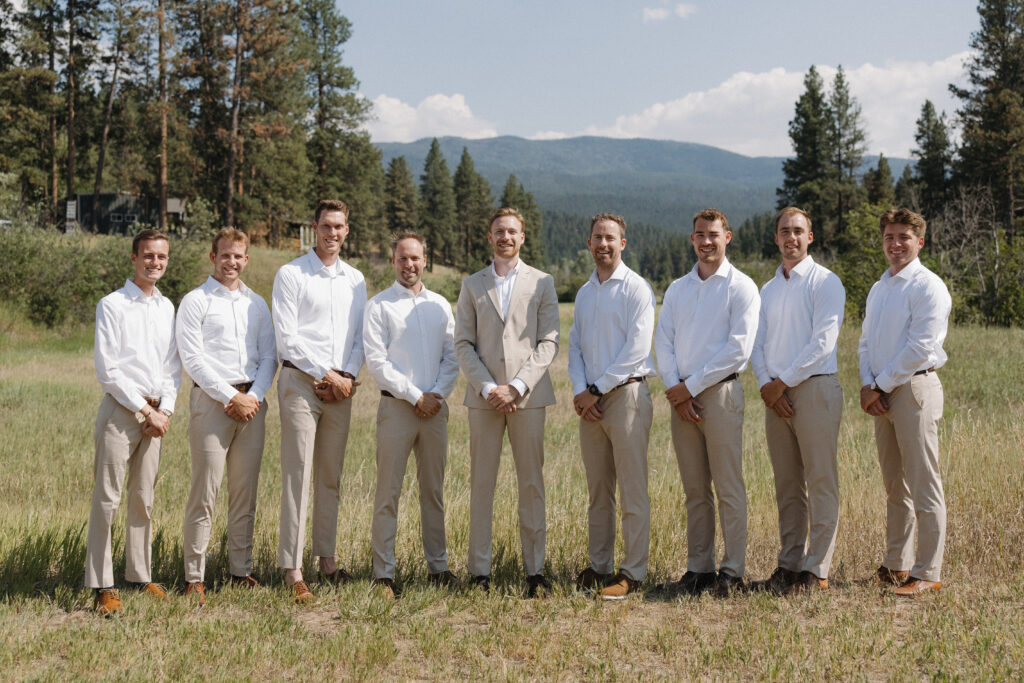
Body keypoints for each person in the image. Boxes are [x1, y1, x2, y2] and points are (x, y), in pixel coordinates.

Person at [654, 208, 759, 597]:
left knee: (728, 486)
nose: (706, 241)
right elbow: (663, 340)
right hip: (681, 398)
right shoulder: (679, 288)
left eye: (713, 234)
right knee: (695, 489)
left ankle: (732, 571)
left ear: (727, 238)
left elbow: (738, 350)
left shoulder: (742, 287)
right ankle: (699, 569)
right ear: (692, 239)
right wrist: (675, 387)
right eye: (700, 234)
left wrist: (692, 386)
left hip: (720, 394)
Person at [455, 207, 559, 597]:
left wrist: (515, 386)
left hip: (527, 398)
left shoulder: (543, 282)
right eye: (499, 231)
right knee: (482, 485)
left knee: (531, 485)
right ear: (489, 236)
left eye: (512, 231)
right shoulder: (471, 284)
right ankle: (479, 573)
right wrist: (488, 388)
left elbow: (549, 341)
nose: (506, 237)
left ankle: (535, 573)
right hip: (484, 401)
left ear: (522, 237)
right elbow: (463, 343)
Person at [176, 228, 277, 606]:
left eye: (238, 256)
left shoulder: (257, 304)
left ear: (246, 259)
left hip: (253, 403)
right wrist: (230, 395)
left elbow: (269, 356)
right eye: (224, 255)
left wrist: (253, 396)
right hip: (212, 403)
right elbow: (193, 358)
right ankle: (194, 576)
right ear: (212, 257)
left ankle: (240, 571)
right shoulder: (195, 301)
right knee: (205, 491)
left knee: (244, 492)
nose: (231, 262)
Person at [272, 199, 366, 603]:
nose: (332, 233)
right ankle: (293, 570)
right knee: (299, 474)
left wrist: (345, 376)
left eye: (339, 227)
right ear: (314, 227)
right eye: (326, 226)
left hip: (340, 388)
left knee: (330, 476)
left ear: (348, 230)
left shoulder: (356, 279)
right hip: (300, 384)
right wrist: (325, 374)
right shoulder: (291, 274)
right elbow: (286, 337)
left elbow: (360, 336)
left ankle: (327, 560)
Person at [749, 207, 845, 595]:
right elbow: (757, 344)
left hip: (814, 388)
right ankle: (789, 564)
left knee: (820, 481)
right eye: (784, 231)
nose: (791, 237)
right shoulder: (768, 289)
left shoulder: (826, 282)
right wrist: (766, 385)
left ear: (810, 237)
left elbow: (823, 343)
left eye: (798, 231)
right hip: (775, 395)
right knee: (787, 485)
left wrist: (783, 382)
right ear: (776, 238)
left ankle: (817, 569)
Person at [86, 229, 181, 615]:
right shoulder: (112, 305)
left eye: (161, 257)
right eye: (147, 256)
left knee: (143, 499)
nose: (154, 262)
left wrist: (166, 411)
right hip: (123, 413)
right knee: (107, 499)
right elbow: (107, 370)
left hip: (157, 417)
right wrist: (145, 410)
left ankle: (140, 576)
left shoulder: (167, 307)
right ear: (133, 258)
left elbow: (173, 366)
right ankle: (101, 584)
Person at [859, 208, 951, 597]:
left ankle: (928, 571)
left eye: (903, 238)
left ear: (920, 242)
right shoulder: (880, 288)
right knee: (895, 485)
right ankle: (897, 565)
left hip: (913, 390)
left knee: (923, 482)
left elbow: (920, 347)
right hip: (881, 393)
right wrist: (868, 384)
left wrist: (878, 384)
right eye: (889, 238)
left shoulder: (929, 286)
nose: (895, 244)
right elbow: (865, 342)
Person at [363, 232, 460, 599]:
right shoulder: (380, 306)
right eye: (402, 259)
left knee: (433, 493)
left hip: (435, 409)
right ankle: (383, 574)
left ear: (425, 260)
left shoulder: (440, 305)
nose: (409, 265)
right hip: (397, 408)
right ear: (393, 262)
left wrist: (436, 395)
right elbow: (378, 362)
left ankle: (439, 568)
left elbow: (451, 357)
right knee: (388, 491)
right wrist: (415, 395)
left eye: (415, 258)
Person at [569, 212, 656, 600]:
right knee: (598, 491)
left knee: (633, 490)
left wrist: (597, 389)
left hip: (626, 398)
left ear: (623, 243)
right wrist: (580, 391)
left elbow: (636, 348)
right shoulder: (586, 292)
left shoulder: (637, 289)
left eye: (610, 238)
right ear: (589, 244)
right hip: (591, 404)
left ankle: (633, 571)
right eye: (597, 238)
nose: (603, 244)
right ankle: (599, 566)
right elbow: (575, 346)